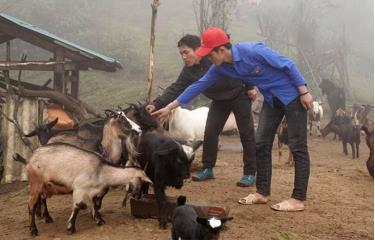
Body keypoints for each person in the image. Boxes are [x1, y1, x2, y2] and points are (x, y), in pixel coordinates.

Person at [152, 27, 313, 212]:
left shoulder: (252, 51)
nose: (208, 59)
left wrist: (304, 92)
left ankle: (298, 198)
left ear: (221, 50)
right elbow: (198, 85)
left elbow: (288, 64)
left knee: (297, 146)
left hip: (292, 95)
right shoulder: (221, 68)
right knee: (261, 143)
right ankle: (262, 192)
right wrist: (169, 107)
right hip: (271, 99)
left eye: (210, 55)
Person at [147, 34, 257, 187]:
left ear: (198, 49)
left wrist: (250, 87)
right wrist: (156, 104)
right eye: (181, 54)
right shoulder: (188, 71)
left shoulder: (213, 57)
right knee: (210, 132)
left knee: (246, 133)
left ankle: (250, 172)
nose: (184, 57)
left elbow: (239, 67)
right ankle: (207, 168)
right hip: (219, 101)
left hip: (239, 95)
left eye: (186, 52)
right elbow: (176, 88)